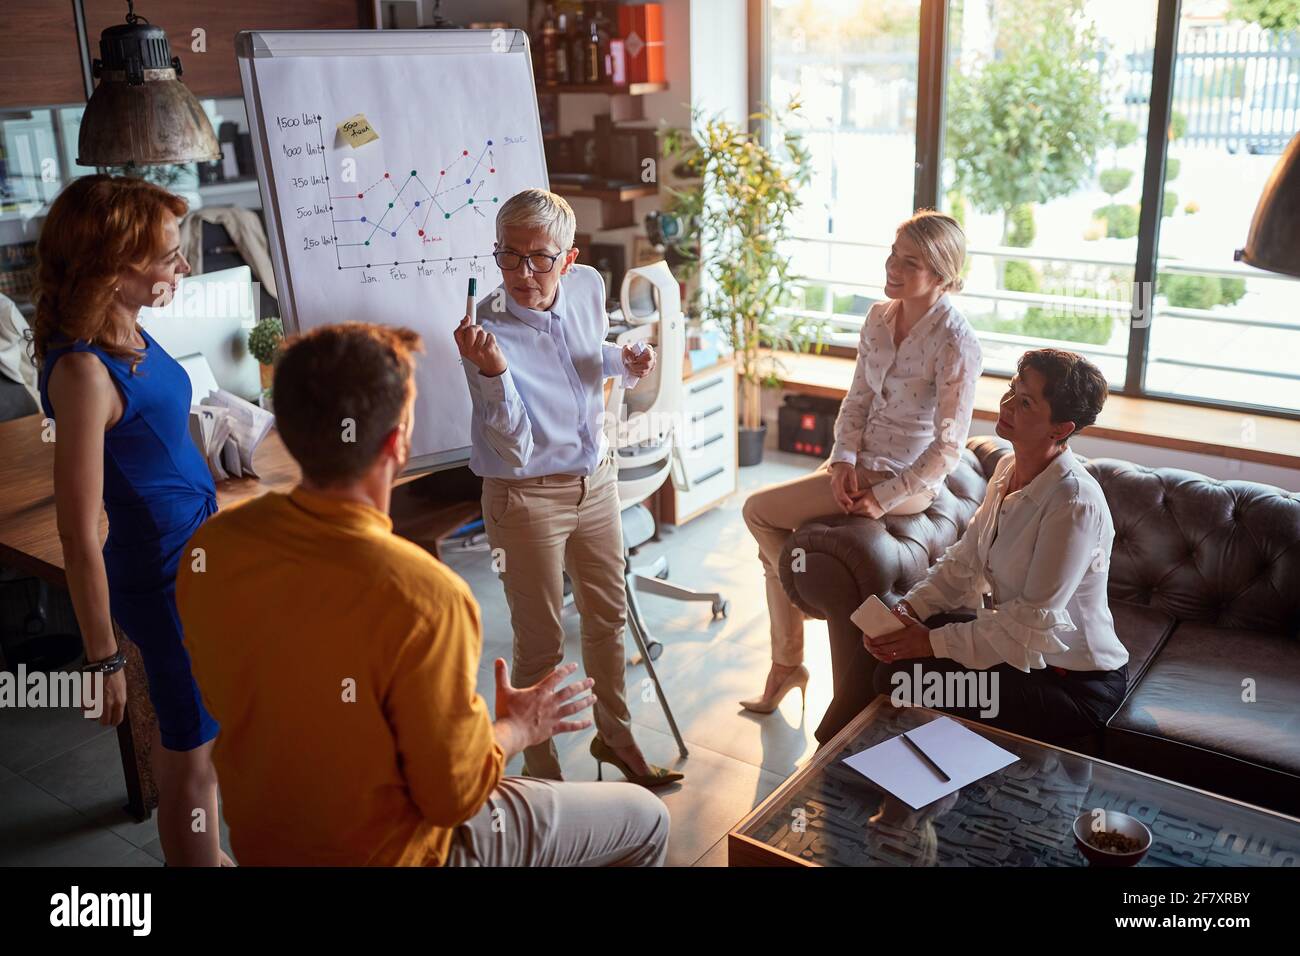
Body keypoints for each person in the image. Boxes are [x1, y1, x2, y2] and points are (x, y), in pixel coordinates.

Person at [177, 322, 669, 866]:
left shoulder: (211, 551)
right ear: (399, 442)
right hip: (400, 854)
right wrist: (515, 728)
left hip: (266, 845)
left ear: (284, 433)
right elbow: (452, 797)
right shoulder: (425, 597)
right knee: (647, 820)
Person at [453, 188, 683, 787]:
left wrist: (621, 360)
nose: (523, 274)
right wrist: (494, 372)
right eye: (509, 257)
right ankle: (541, 778)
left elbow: (585, 355)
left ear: (570, 258)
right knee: (541, 644)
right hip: (525, 495)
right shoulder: (486, 333)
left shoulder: (585, 288)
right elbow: (514, 444)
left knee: (607, 621)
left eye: (539, 258)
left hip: (596, 481)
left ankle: (617, 736)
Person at [32, 175, 226, 865]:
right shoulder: (83, 372)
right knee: (188, 755)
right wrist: (103, 658)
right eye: (169, 256)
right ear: (113, 267)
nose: (182, 267)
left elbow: (166, 432)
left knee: (206, 737)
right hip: (162, 578)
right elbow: (79, 534)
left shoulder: (128, 328)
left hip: (198, 557)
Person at [740, 210, 983, 717]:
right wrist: (842, 459)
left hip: (909, 478)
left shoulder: (956, 341)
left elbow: (947, 447)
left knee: (758, 513)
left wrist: (883, 497)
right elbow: (857, 400)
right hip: (863, 462)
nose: (893, 267)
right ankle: (788, 655)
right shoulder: (878, 317)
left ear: (941, 275)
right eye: (893, 254)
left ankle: (790, 645)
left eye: (910, 262)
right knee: (776, 547)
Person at [861, 348, 1129, 747]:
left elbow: (1027, 621)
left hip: (1072, 683)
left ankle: (861, 773)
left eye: (1025, 402)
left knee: (900, 676)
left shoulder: (1073, 503)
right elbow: (965, 561)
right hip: (1020, 655)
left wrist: (927, 642)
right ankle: (850, 762)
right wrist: (909, 610)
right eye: (1011, 390)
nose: (1007, 404)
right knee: (883, 647)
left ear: (1060, 428)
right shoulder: (1007, 469)